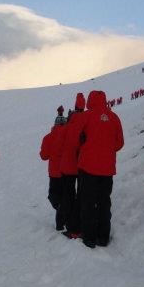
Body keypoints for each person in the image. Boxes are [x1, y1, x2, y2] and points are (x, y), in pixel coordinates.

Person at [71, 90, 124, 248]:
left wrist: (85, 145)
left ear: (90, 100)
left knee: (88, 203)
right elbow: (119, 143)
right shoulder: (114, 117)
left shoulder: (86, 116)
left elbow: (74, 138)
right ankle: (103, 237)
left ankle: (89, 237)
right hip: (107, 169)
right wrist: (106, 150)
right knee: (104, 202)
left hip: (87, 168)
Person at [58, 92, 86, 238]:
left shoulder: (69, 124)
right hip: (83, 166)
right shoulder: (88, 121)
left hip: (68, 165)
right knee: (82, 195)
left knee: (68, 195)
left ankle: (70, 225)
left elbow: (60, 145)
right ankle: (80, 225)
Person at [40, 106, 69, 230]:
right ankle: (62, 221)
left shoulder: (48, 138)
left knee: (53, 196)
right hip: (68, 171)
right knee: (65, 196)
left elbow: (44, 156)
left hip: (54, 173)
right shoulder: (69, 136)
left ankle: (61, 220)